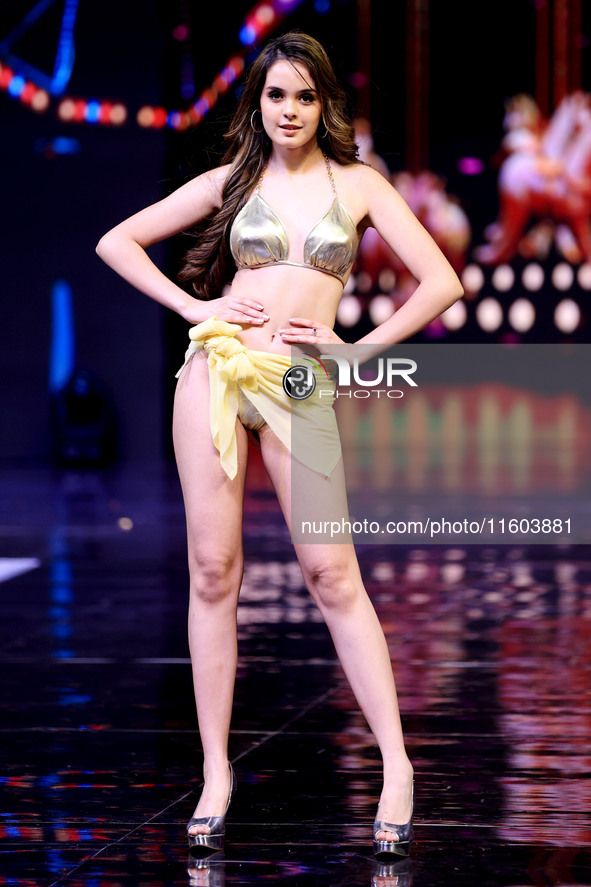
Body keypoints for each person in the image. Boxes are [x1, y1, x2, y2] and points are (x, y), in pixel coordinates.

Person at [96, 30, 464, 858]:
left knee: (333, 571)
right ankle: (216, 770)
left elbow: (441, 279)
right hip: (219, 372)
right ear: (256, 104)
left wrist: (357, 350)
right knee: (212, 570)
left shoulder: (359, 184)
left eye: (304, 96)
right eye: (275, 96)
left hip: (299, 379)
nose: (289, 110)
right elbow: (116, 241)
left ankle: (396, 765)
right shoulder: (233, 179)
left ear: (325, 102)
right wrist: (196, 310)